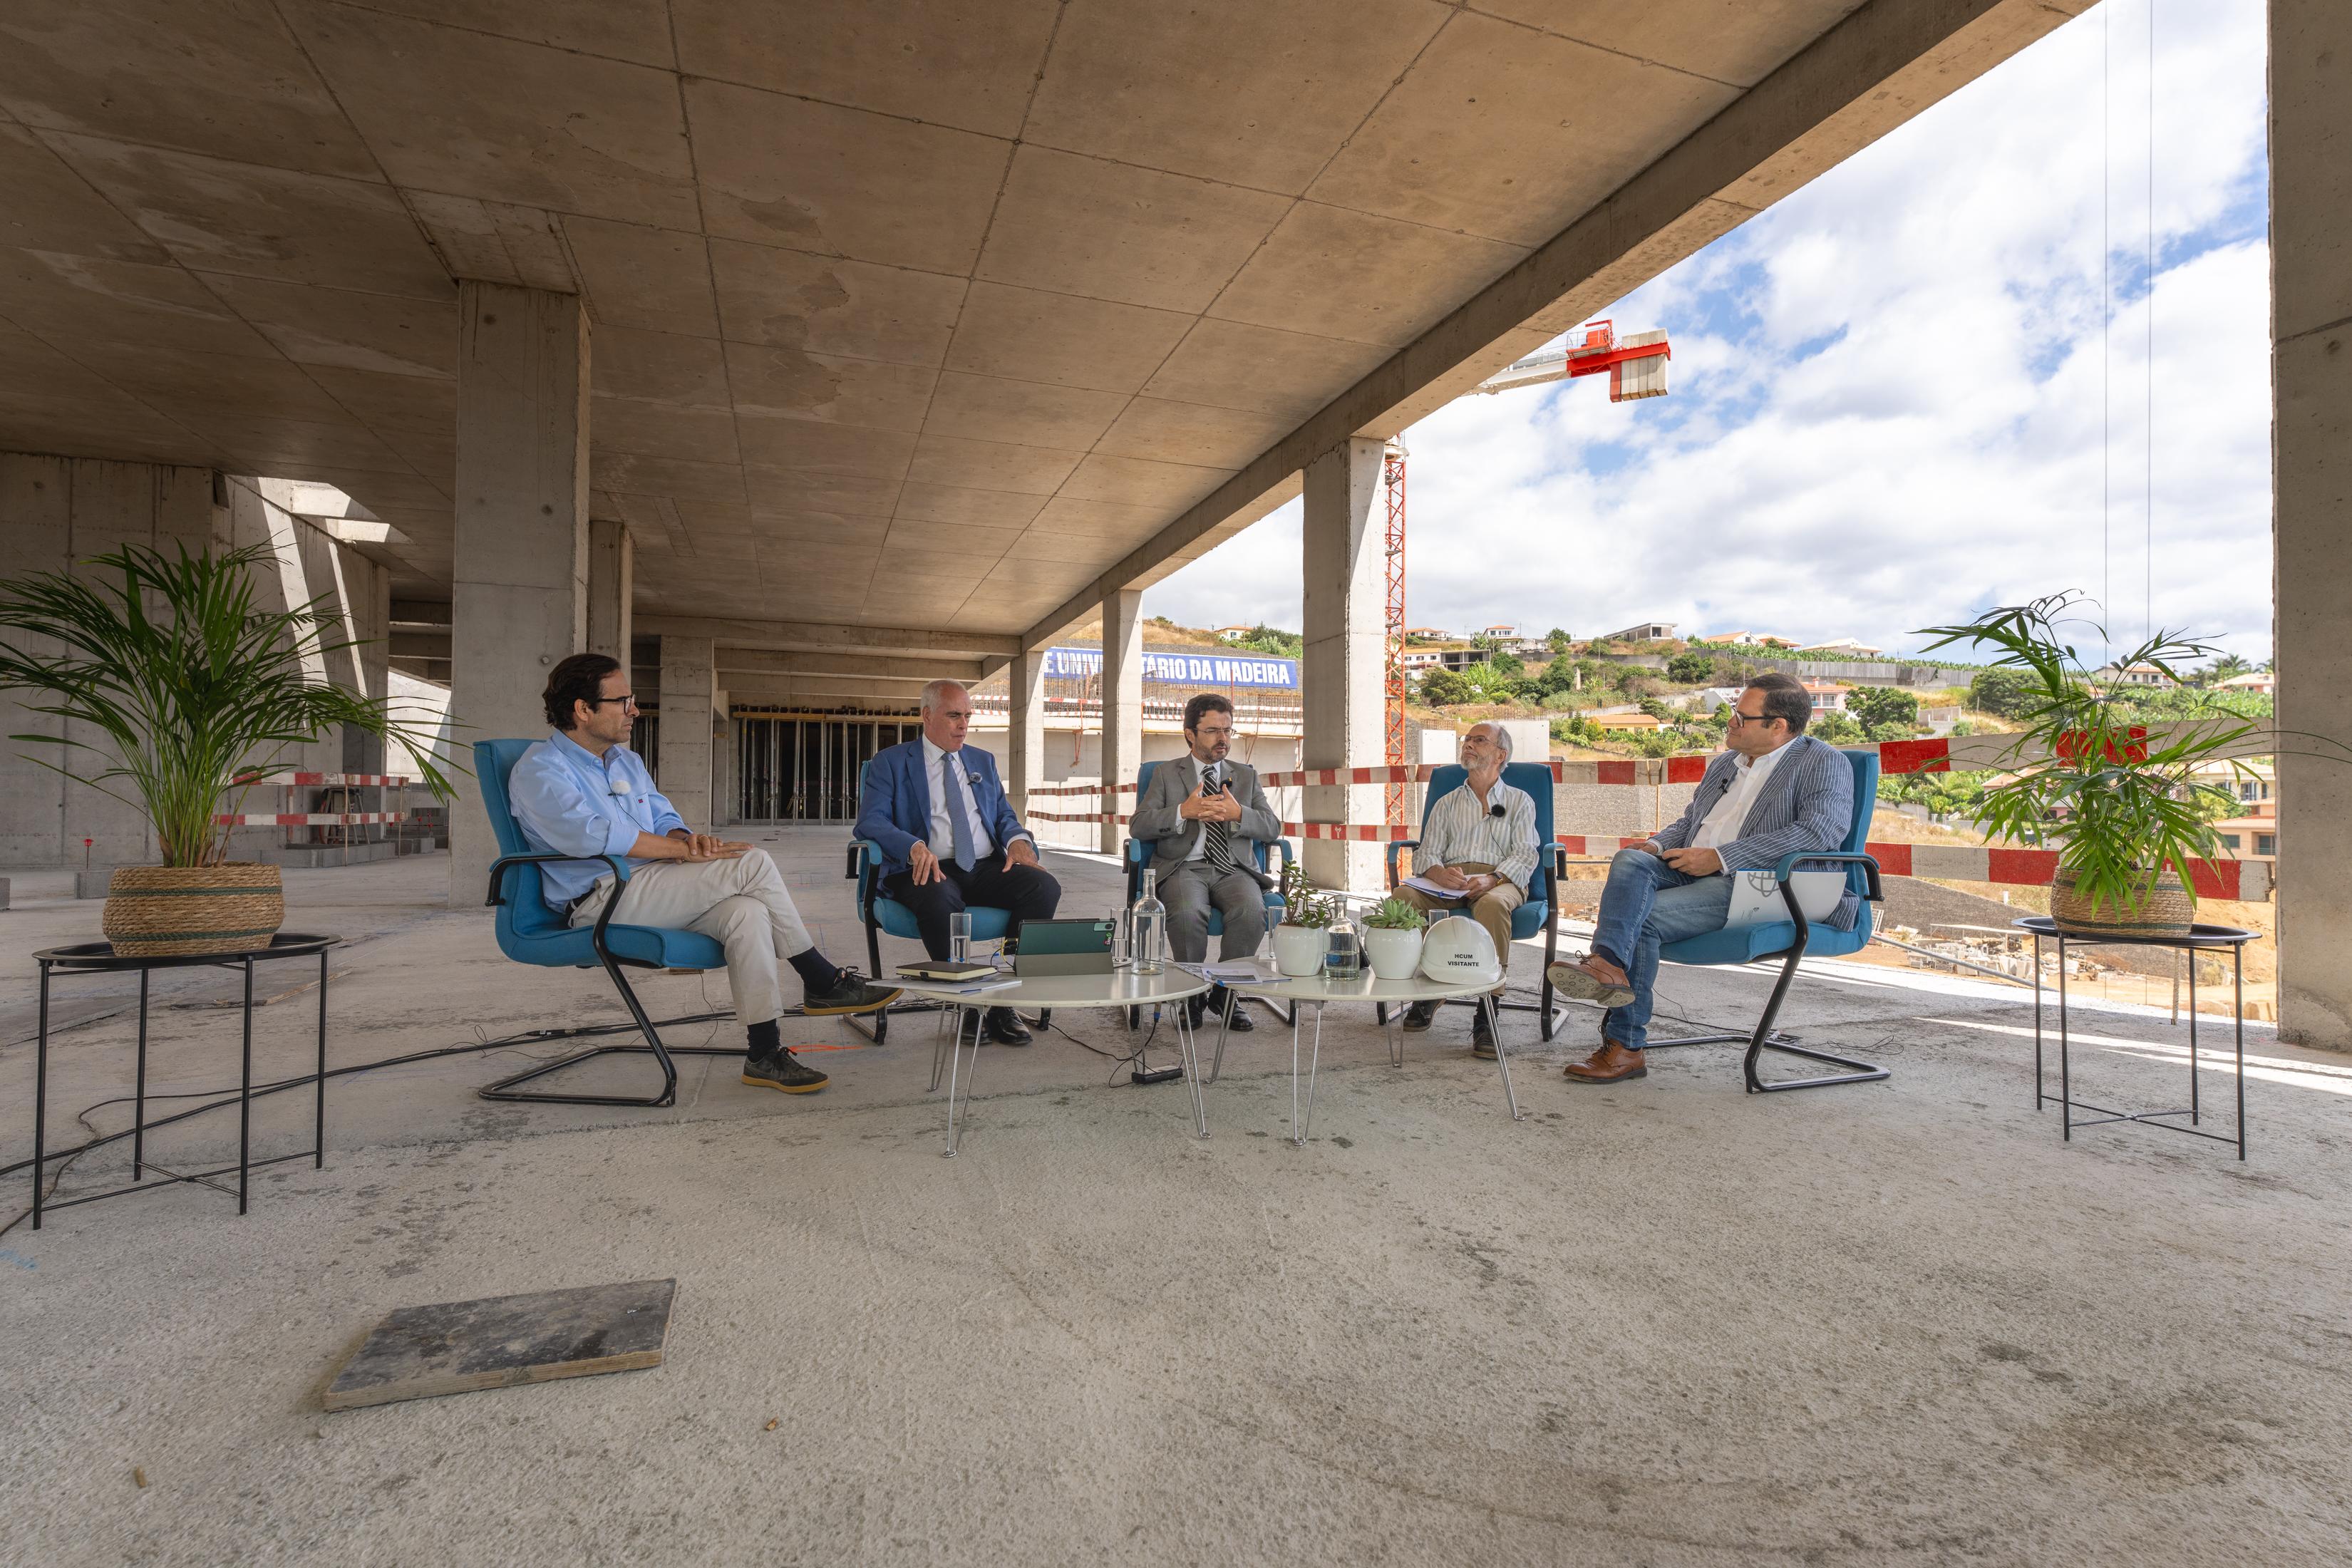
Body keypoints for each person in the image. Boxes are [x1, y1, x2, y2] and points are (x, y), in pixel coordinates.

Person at [509, 653, 898, 1096]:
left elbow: (662, 817)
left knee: (747, 912)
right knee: (752, 862)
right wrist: (679, 852)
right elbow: (591, 835)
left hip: (655, 887)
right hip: (601, 900)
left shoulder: (626, 762)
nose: (635, 710)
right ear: (583, 709)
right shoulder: (541, 769)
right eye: (623, 701)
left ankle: (764, 1053)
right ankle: (821, 979)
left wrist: (689, 841)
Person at [1548, 671, 1857, 1084]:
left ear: (1778, 726)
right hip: (1693, 868)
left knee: (1644, 921)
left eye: (1741, 717)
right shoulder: (1727, 763)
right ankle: (1608, 965)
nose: (1729, 722)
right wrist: (1656, 845)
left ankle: (1625, 1047)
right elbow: (1691, 821)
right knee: (1630, 860)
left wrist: (1721, 858)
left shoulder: (1823, 762)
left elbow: (1818, 833)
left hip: (1766, 884)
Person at [855, 679, 1061, 1046]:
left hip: (983, 865)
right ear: (927, 715)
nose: (963, 725)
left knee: (1043, 886)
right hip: (923, 867)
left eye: (967, 716)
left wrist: (1017, 841)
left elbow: (1003, 815)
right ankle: (967, 1005)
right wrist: (913, 846)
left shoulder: (982, 760)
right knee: (939, 896)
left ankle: (1004, 1000)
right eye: (954, 716)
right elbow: (871, 821)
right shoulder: (891, 762)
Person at [1129, 693, 1282, 1032]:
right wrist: (1182, 811)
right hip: (1183, 866)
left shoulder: (1245, 776)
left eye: (1227, 730)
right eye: (1213, 731)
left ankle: (1225, 994)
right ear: (1190, 734)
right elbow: (1138, 825)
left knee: (1251, 910)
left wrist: (1239, 814)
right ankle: (1191, 994)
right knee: (1187, 912)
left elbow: (1273, 828)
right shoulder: (1166, 774)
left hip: (1232, 869)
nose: (1222, 738)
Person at [1394, 721, 1542, 1058]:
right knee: (1402, 898)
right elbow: (1427, 852)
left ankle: (1488, 1009)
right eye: (1467, 740)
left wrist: (1493, 879)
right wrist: (1438, 873)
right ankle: (1427, 990)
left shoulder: (1520, 801)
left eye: (1479, 740)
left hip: (1500, 880)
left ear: (1500, 755)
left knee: (1492, 904)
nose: (1469, 745)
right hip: (1450, 880)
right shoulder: (1447, 803)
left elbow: (1525, 853)